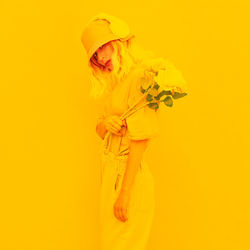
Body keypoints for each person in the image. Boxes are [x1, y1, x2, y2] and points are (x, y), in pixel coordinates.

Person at [81, 12, 187, 250]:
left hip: (127, 174)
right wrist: (106, 122)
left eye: (104, 47)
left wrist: (125, 193)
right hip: (109, 170)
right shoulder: (114, 81)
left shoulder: (140, 77)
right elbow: (100, 128)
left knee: (125, 244)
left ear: (118, 42)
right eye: (95, 54)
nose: (101, 57)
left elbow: (141, 137)